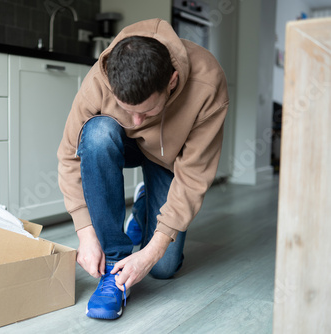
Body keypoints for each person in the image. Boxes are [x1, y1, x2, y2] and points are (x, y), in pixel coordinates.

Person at [57, 18, 229, 320]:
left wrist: (153, 251)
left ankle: (143, 204)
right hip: (118, 144)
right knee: (97, 133)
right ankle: (114, 265)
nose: (137, 122)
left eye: (147, 111)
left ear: (172, 82)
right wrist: (85, 234)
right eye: (128, 110)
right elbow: (70, 154)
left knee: (163, 268)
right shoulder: (100, 78)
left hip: (169, 159)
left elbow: (193, 178)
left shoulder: (208, 84)